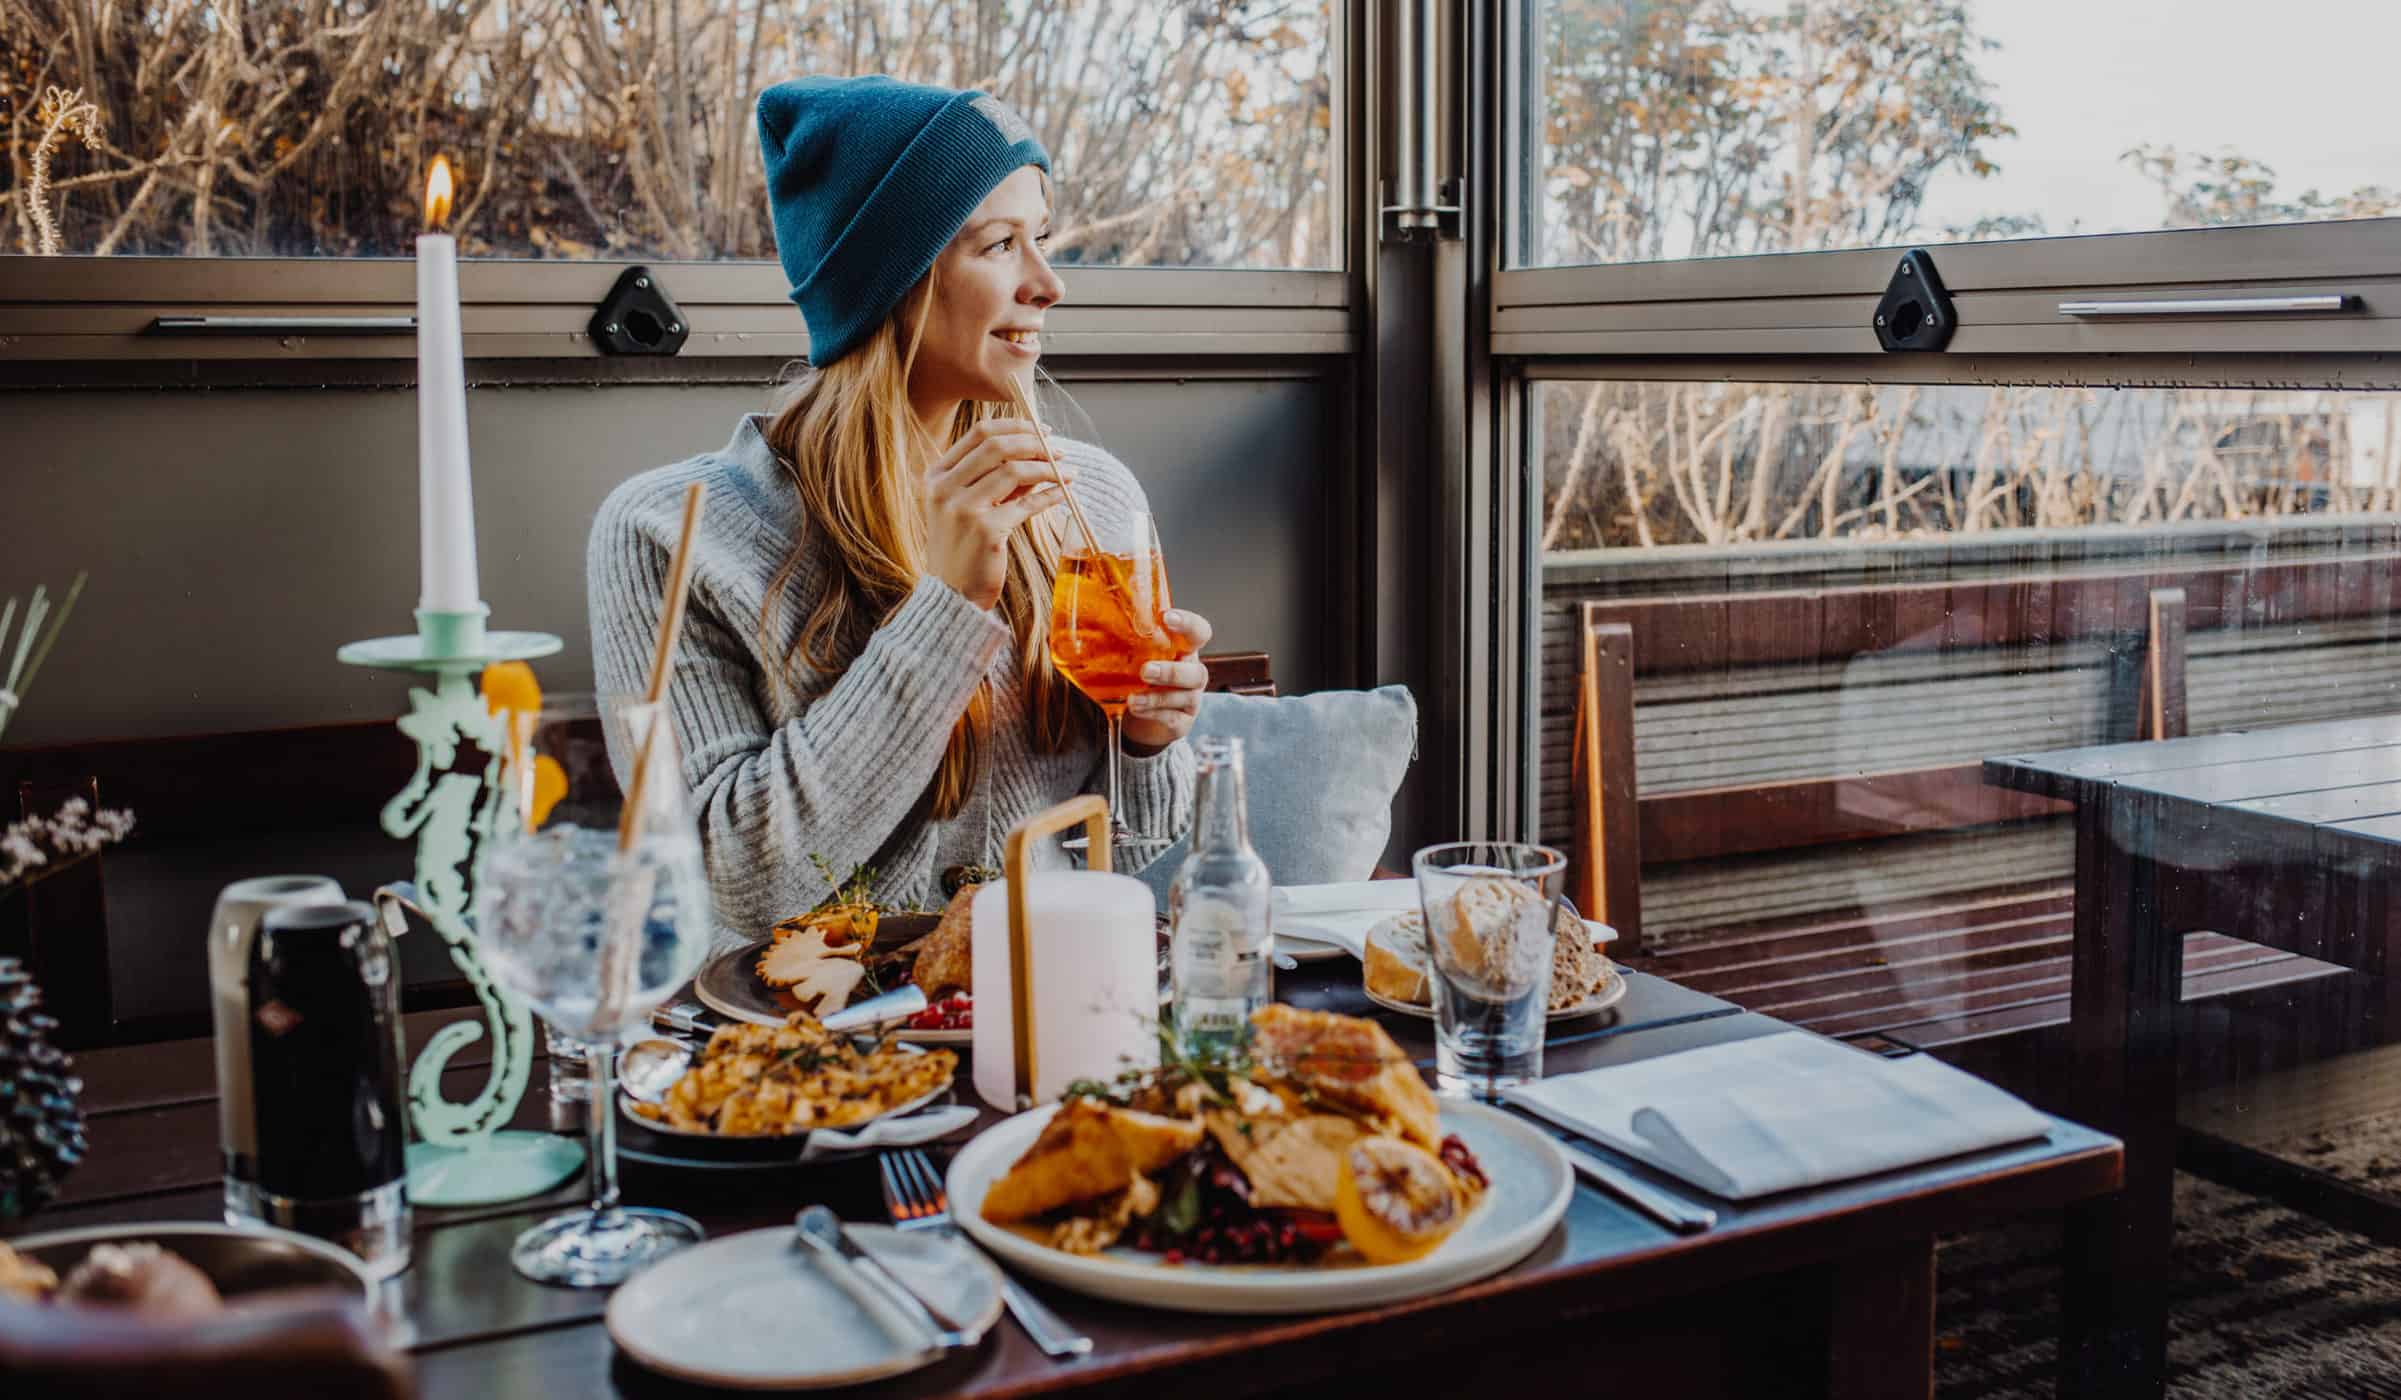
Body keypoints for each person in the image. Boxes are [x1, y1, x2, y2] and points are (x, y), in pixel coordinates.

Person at [587, 75, 1208, 936]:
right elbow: (728, 883)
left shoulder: (1092, 499)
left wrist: (1144, 739)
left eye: (1043, 238)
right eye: (998, 245)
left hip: (1051, 1006)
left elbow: (1134, 848)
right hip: (812, 1046)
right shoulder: (668, 533)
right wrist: (943, 614)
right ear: (892, 284)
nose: (1047, 284)